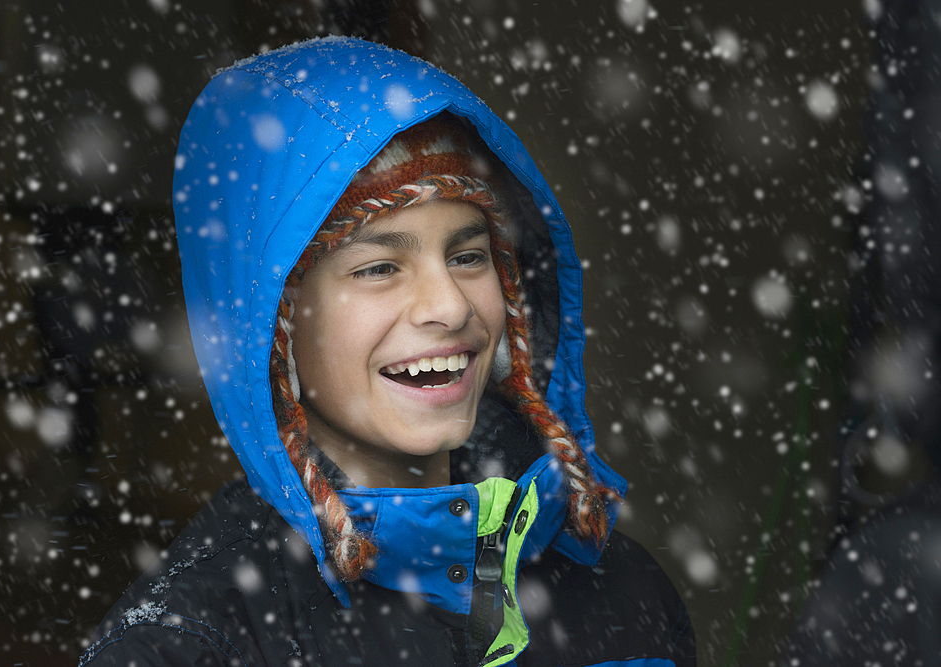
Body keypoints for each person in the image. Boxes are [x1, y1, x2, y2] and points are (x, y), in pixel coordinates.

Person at [79, 36, 695, 666]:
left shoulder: (621, 590)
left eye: (468, 255)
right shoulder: (189, 646)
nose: (451, 305)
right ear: (273, 327)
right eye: (378, 267)